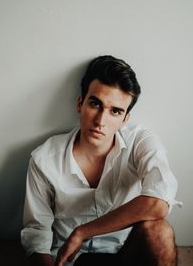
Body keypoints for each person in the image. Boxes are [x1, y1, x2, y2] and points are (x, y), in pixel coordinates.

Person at [21, 55, 180, 266]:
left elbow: (158, 202)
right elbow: (37, 233)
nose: (100, 121)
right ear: (80, 103)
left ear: (125, 119)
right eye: (95, 104)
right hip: (69, 258)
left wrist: (83, 232)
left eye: (115, 111)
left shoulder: (140, 141)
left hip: (125, 253)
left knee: (160, 231)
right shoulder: (44, 158)